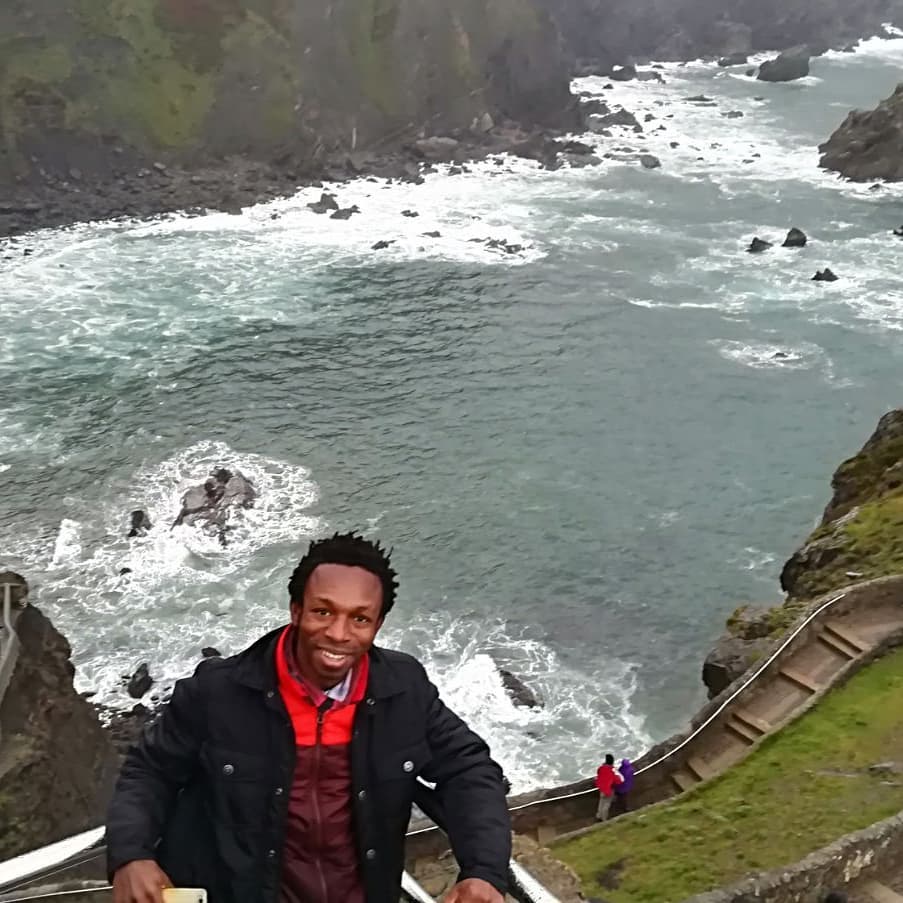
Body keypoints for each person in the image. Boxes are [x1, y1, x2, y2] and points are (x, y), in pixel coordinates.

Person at [107, 532, 511, 903]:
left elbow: (469, 768)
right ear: (296, 610)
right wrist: (131, 855)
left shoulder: (404, 692)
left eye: (359, 618)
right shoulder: (219, 693)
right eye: (323, 611)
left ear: (378, 624)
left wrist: (484, 872)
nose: (338, 633)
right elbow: (150, 771)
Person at [595, 753, 623, 821]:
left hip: (602, 788)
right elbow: (619, 780)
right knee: (606, 804)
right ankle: (604, 819)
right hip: (609, 789)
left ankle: (598, 816)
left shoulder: (601, 768)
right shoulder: (612, 769)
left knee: (601, 803)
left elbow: (598, 774)